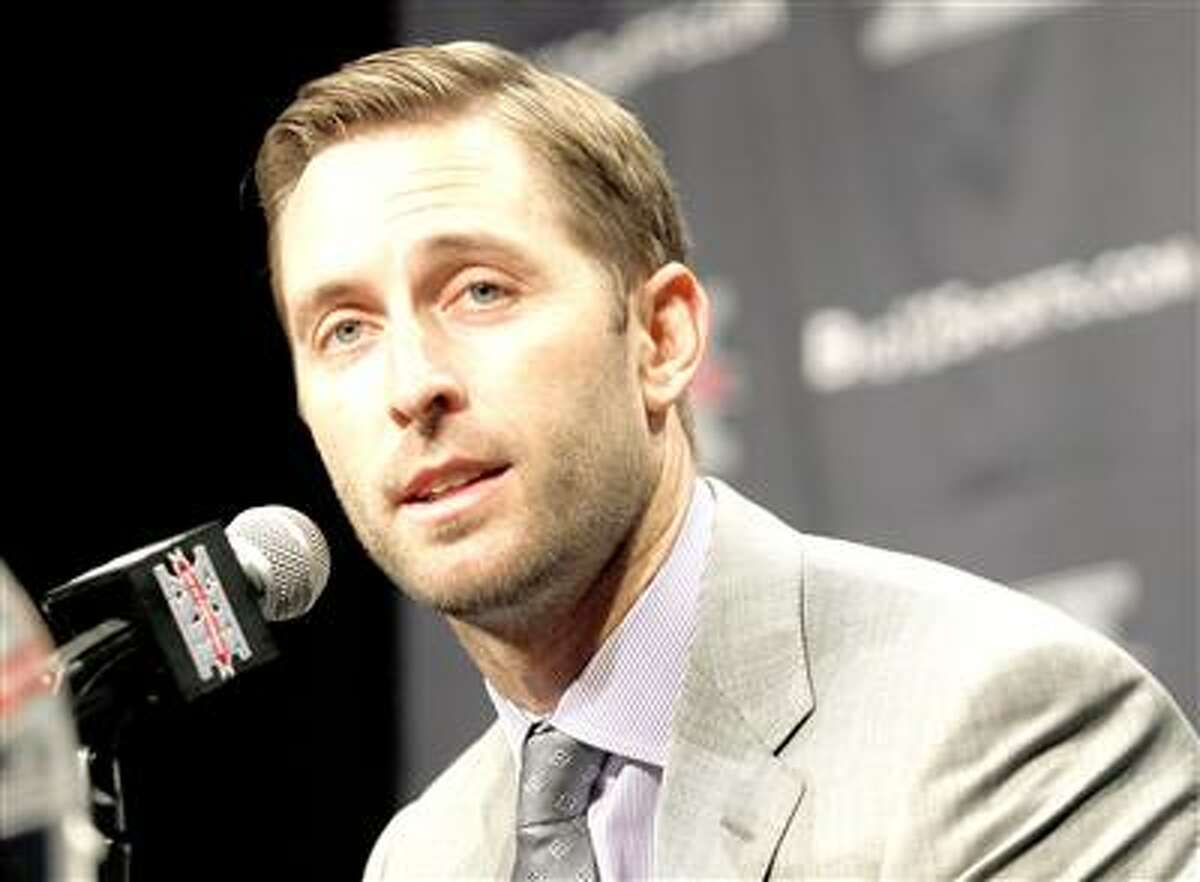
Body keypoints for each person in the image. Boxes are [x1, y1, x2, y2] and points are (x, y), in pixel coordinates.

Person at [254, 40, 1198, 880]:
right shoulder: (423, 858)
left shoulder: (997, 725)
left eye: (481, 290)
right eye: (343, 329)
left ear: (661, 338)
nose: (411, 384)